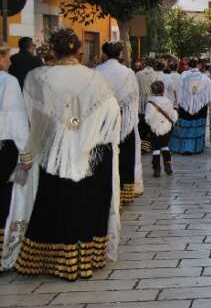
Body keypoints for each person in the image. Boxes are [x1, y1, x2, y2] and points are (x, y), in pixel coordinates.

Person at [14, 29, 121, 281]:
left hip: (53, 152)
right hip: (91, 151)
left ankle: (50, 259)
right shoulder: (95, 78)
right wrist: (85, 132)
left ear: (52, 50)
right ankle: (86, 258)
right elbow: (112, 114)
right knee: (87, 203)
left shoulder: (37, 77)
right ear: (79, 52)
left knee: (55, 202)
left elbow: (32, 117)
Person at [95, 42, 142, 205]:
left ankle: (106, 191)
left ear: (104, 54)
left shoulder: (97, 72)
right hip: (125, 120)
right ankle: (125, 192)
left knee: (105, 155)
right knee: (126, 155)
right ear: (120, 54)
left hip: (103, 119)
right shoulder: (128, 73)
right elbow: (134, 96)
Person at [0, 43, 30, 270]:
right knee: (4, 197)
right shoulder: (8, 82)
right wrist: (26, 153)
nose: (10, 62)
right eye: (7, 57)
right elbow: (16, 121)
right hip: (5, 148)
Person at [169, 59, 211, 155]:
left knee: (185, 127)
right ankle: (196, 148)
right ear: (198, 66)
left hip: (185, 106)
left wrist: (180, 103)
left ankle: (184, 147)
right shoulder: (205, 78)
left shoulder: (183, 76)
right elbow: (209, 95)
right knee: (197, 127)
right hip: (201, 107)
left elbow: (179, 91)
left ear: (188, 66)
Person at [145, 81, 178, 177]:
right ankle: (168, 166)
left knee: (156, 148)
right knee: (165, 146)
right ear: (163, 90)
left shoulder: (150, 103)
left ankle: (157, 169)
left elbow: (148, 118)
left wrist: (153, 124)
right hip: (167, 127)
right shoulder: (168, 101)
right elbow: (173, 116)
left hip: (155, 128)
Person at [136, 58, 162, 151]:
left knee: (142, 122)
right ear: (153, 65)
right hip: (152, 100)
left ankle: (143, 144)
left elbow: (136, 88)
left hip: (141, 100)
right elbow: (159, 89)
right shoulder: (156, 75)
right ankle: (151, 144)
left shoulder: (138, 74)